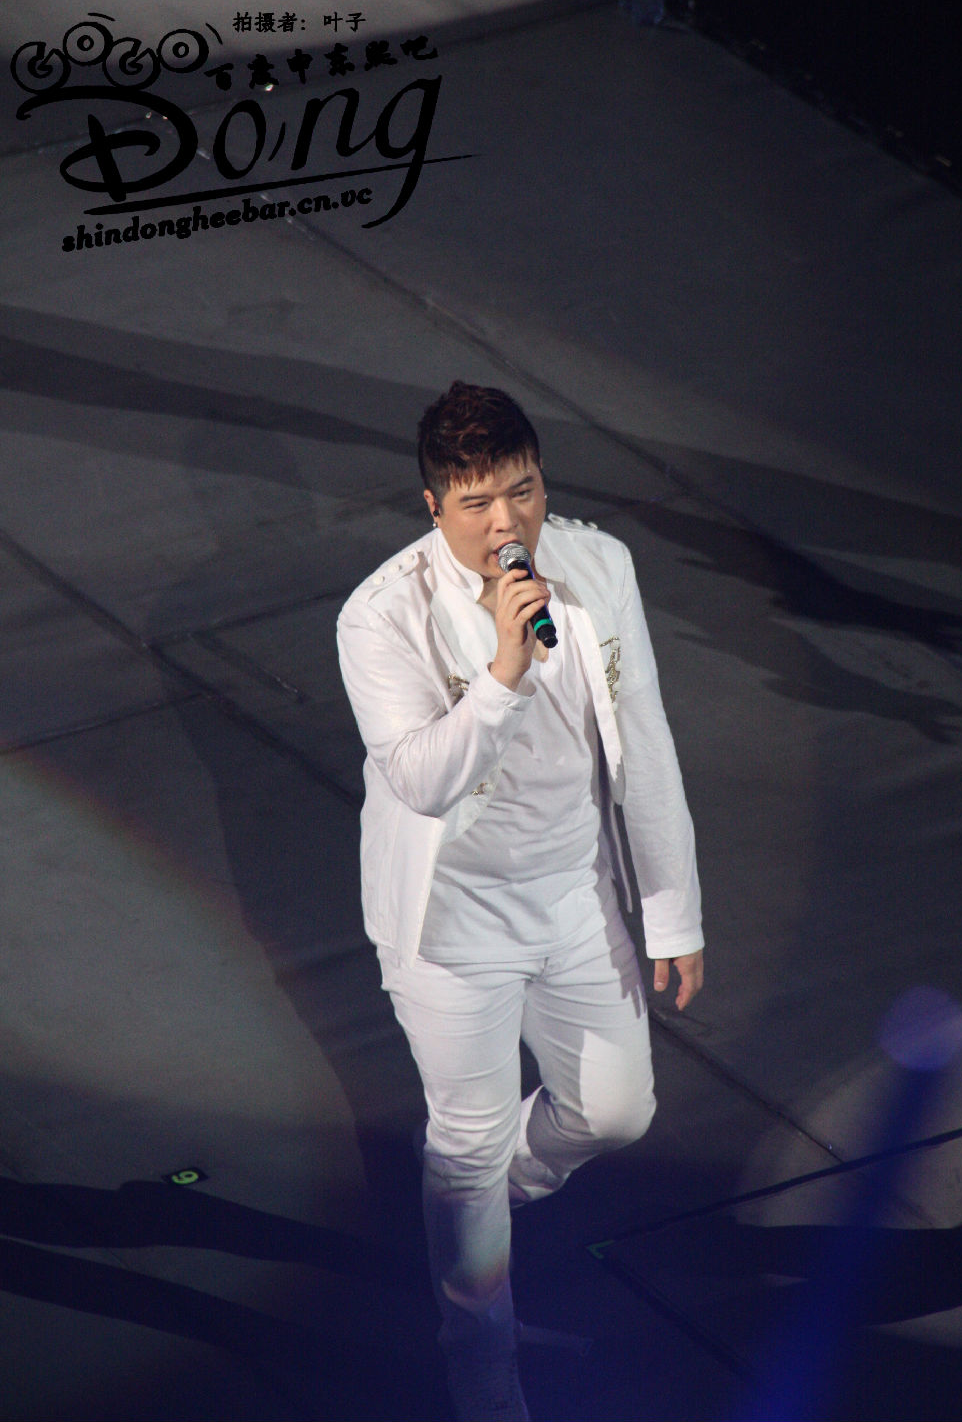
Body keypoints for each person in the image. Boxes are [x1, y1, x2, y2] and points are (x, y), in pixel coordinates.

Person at [337, 380, 703, 1421]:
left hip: (576, 889)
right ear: (433, 507)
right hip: (452, 918)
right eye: (478, 504)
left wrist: (672, 910)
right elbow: (421, 781)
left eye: (525, 492)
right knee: (467, 1136)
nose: (509, 525)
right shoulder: (379, 616)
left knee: (616, 1111)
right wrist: (502, 669)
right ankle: (481, 1363)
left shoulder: (601, 565)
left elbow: (646, 739)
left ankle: (473, 1204)